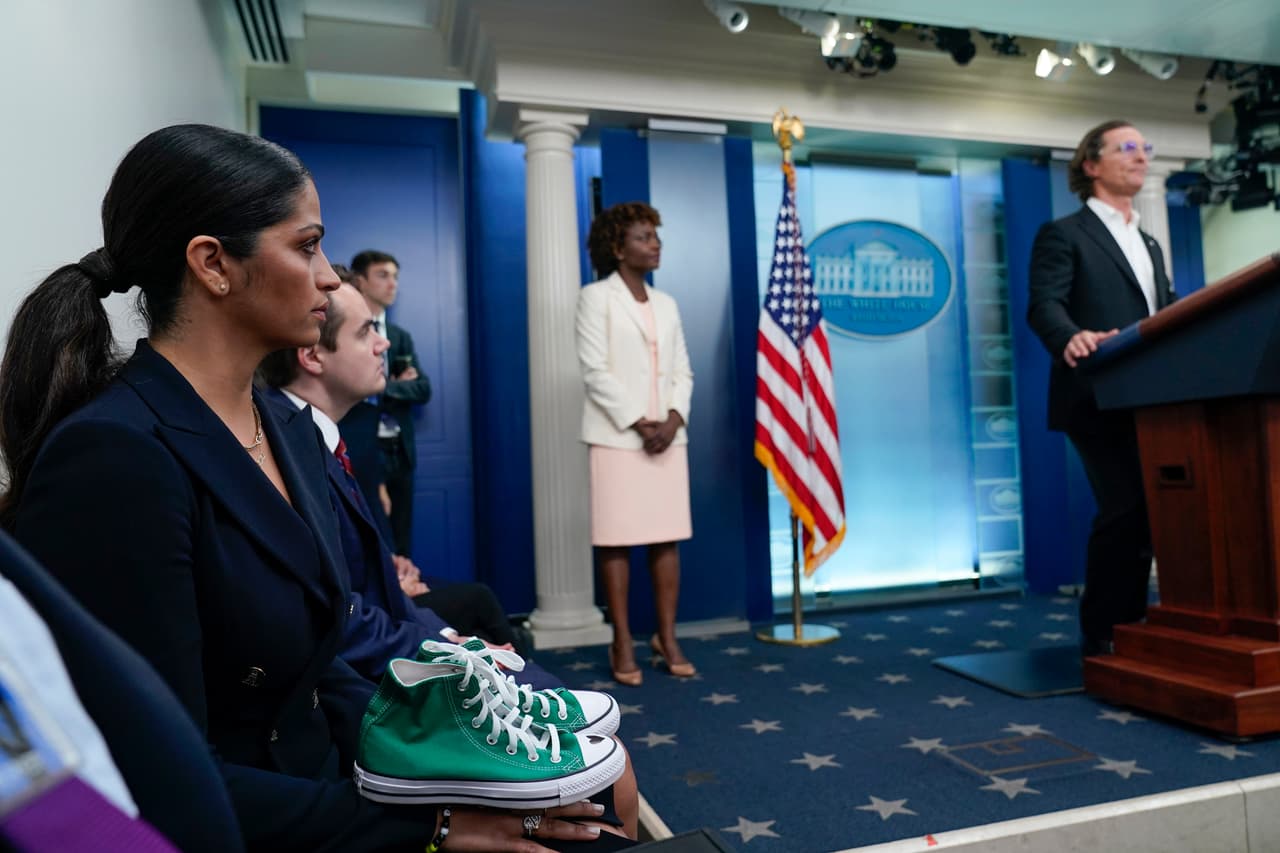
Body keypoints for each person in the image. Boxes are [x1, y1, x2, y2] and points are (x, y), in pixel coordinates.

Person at [0, 123, 632, 851]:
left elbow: (319, 662)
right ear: (212, 264)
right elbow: (162, 778)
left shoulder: (286, 425)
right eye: (307, 247)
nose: (332, 277)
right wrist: (439, 824)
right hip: (267, 827)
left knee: (597, 806)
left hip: (336, 777)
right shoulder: (114, 458)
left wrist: (466, 760)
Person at [256, 282, 542, 681]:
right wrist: (448, 648)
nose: (382, 345)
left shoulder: (311, 433)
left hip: (386, 629)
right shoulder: (283, 446)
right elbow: (334, 606)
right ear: (311, 356)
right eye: (364, 332)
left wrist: (388, 570)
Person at [1026, 119, 1178, 658]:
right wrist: (1070, 336)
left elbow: (1163, 314)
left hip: (1155, 398)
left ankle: (1134, 622)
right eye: (1127, 148)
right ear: (1091, 165)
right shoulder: (1065, 234)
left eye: (1146, 148)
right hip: (1095, 395)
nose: (1141, 156)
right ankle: (1105, 630)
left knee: (1153, 511)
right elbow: (1044, 303)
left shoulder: (1151, 241)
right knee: (1125, 507)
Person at [576, 202, 695, 687]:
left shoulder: (667, 305)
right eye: (644, 237)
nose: (655, 244)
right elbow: (594, 369)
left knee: (666, 538)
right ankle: (622, 639)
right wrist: (640, 423)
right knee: (618, 539)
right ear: (616, 247)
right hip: (616, 438)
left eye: (657, 236)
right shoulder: (595, 297)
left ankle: (666, 638)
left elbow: (683, 370)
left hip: (669, 439)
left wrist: (672, 418)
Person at [341, 249, 431, 556]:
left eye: (395, 276)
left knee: (401, 544)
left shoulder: (397, 337)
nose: (392, 284)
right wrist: (392, 384)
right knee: (365, 539)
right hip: (359, 449)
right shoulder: (339, 327)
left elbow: (422, 389)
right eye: (383, 275)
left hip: (399, 453)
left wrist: (383, 388)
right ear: (360, 281)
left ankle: (404, 600)